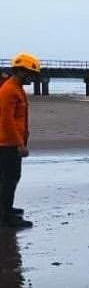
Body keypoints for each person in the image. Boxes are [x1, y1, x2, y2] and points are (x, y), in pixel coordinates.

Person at [0, 53, 39, 229]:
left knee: (8, 179)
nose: (32, 78)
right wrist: (19, 144)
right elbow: (6, 120)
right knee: (10, 178)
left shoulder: (16, 88)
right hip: (7, 143)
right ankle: (6, 217)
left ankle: (6, 210)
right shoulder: (9, 90)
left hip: (10, 141)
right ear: (21, 72)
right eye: (31, 74)